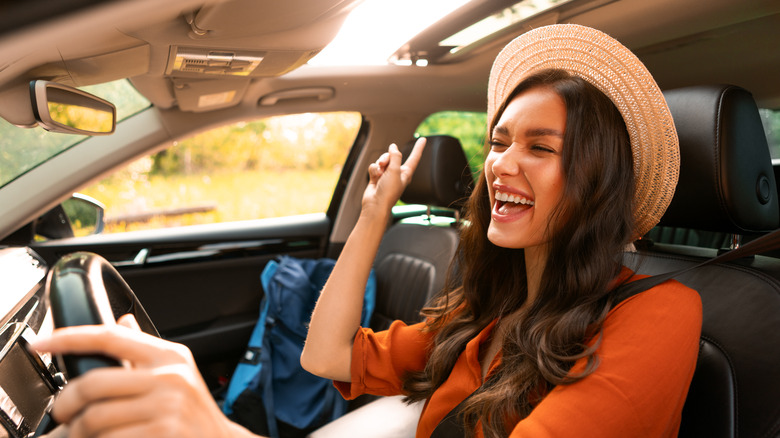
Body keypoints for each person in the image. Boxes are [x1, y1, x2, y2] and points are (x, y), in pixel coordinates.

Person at [32, 24, 701, 438]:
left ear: (595, 184)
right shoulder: (487, 316)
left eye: (539, 147)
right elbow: (325, 357)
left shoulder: (662, 314)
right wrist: (374, 211)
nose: (501, 163)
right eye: (498, 141)